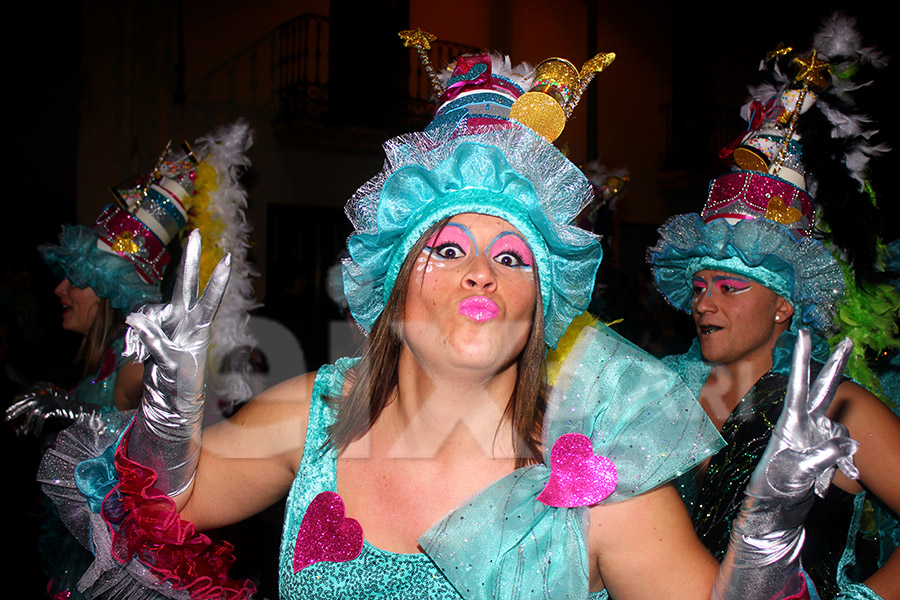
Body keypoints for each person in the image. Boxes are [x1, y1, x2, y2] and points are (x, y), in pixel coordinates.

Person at [40, 41, 857, 600]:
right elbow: (160, 506)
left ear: (543, 303)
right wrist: (165, 414)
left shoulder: (598, 486)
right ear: (395, 285)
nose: (481, 270)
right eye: (449, 247)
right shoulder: (315, 416)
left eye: (512, 257)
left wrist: (764, 542)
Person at [649, 15, 900, 600]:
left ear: (785, 305)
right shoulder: (667, 391)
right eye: (700, 284)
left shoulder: (836, 404)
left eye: (730, 287)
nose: (705, 301)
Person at [7, 121, 257, 599]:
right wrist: (61, 398)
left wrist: (70, 409)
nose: (59, 289)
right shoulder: (101, 359)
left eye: (75, 280)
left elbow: (145, 393)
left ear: (108, 293)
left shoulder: (130, 361)